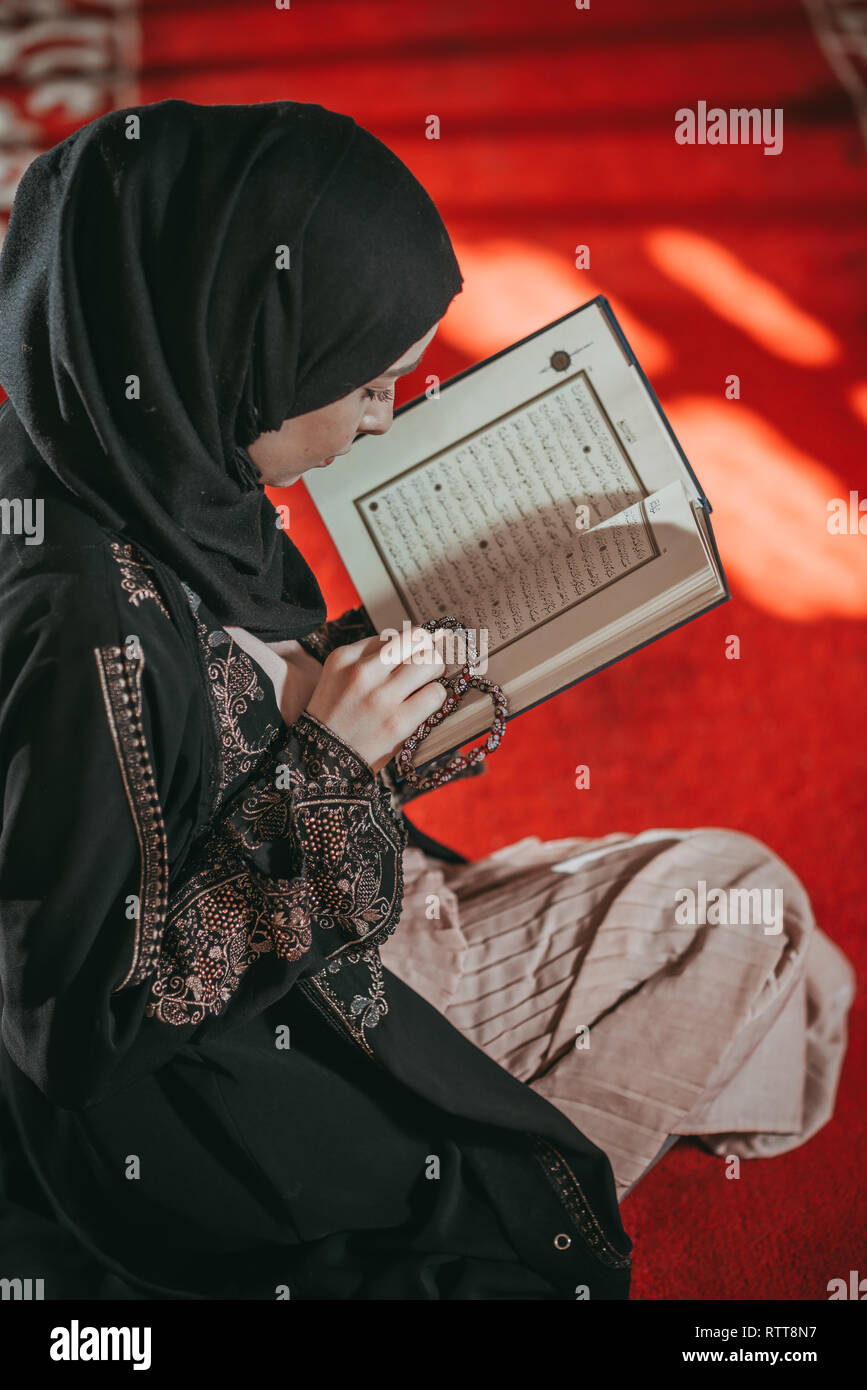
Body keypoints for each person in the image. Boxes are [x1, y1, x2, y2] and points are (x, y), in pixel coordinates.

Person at [0, 98, 854, 1303]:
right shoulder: (80, 618)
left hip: (341, 915)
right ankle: (513, 1159)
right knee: (755, 915)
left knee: (782, 959)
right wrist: (335, 771)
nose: (383, 418)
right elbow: (88, 1022)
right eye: (360, 386)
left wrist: (364, 717)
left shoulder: (121, 452)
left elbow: (211, 712)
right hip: (281, 1047)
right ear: (245, 340)